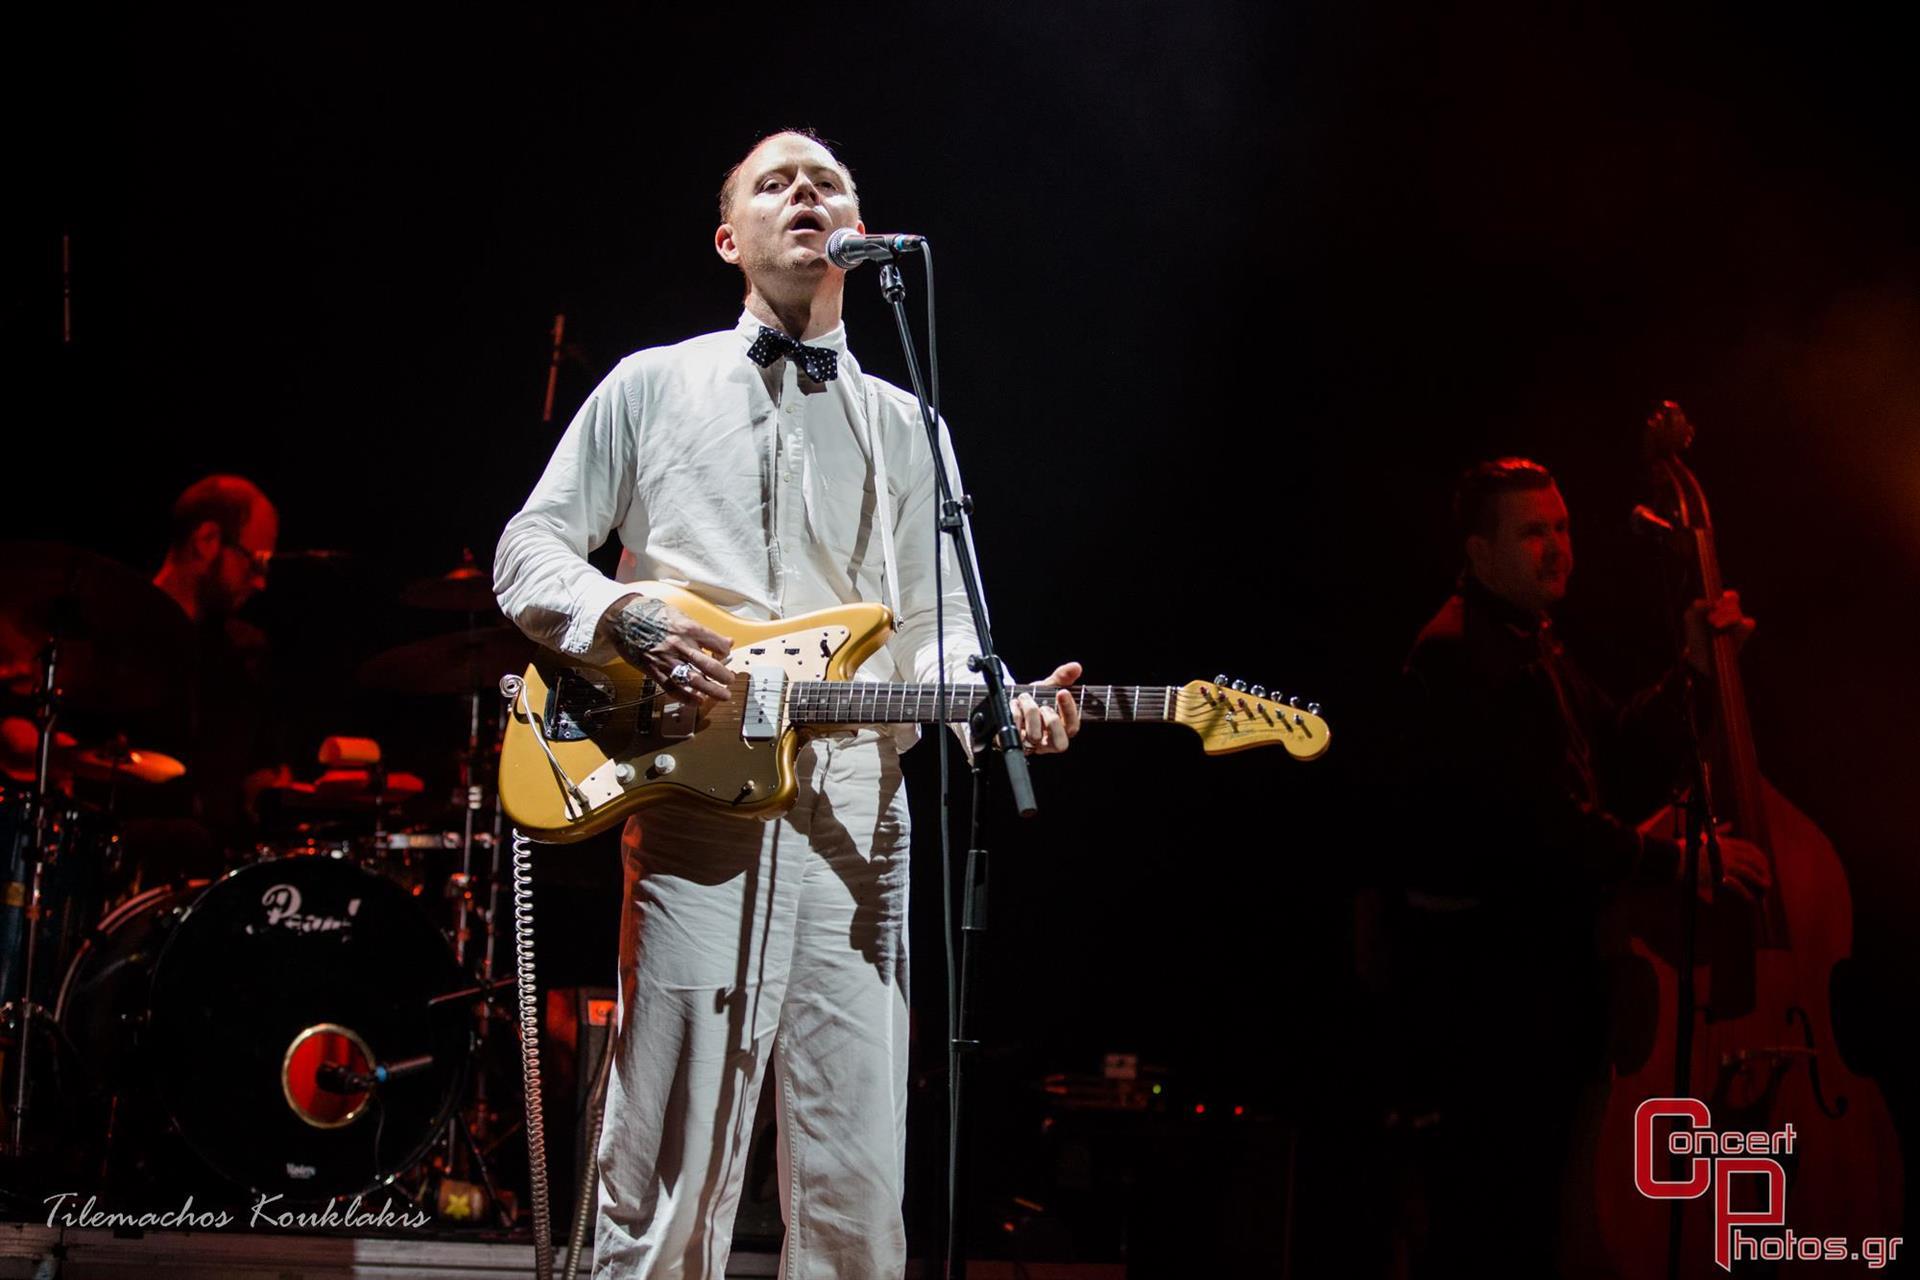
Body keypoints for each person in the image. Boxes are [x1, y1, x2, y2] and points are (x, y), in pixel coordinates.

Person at [494, 129, 1081, 1279]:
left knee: (855, 1175)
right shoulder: (653, 385)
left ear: (860, 236)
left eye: (829, 181)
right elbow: (529, 549)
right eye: (776, 182)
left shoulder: (911, 424)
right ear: (730, 239)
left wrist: (994, 702)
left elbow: (940, 629)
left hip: (857, 808)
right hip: (696, 794)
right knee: (669, 1158)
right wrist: (634, 620)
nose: (807, 192)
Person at [1387, 457, 1769, 1277]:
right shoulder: (1464, 657)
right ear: (1479, 552)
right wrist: (1679, 861)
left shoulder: (1530, 642)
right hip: (1491, 1005)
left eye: (1562, 527)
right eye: (1534, 532)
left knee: (1529, 1225)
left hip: (1535, 995)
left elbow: (1619, 751)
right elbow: (1543, 829)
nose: (1559, 548)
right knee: (1495, 1229)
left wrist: (1696, 669)